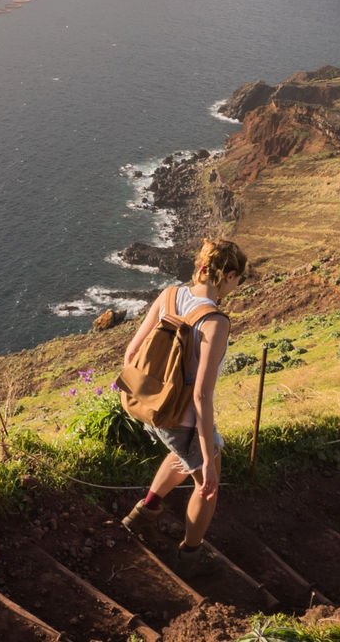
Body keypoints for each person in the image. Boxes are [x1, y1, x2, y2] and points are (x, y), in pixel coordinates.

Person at [119, 238, 247, 575]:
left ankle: (143, 514)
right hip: (184, 419)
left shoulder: (170, 295)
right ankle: (191, 555)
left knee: (179, 456)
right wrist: (207, 455)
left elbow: (131, 353)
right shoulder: (215, 322)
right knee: (208, 486)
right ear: (229, 274)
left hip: (151, 405)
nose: (237, 285)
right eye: (239, 279)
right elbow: (202, 397)